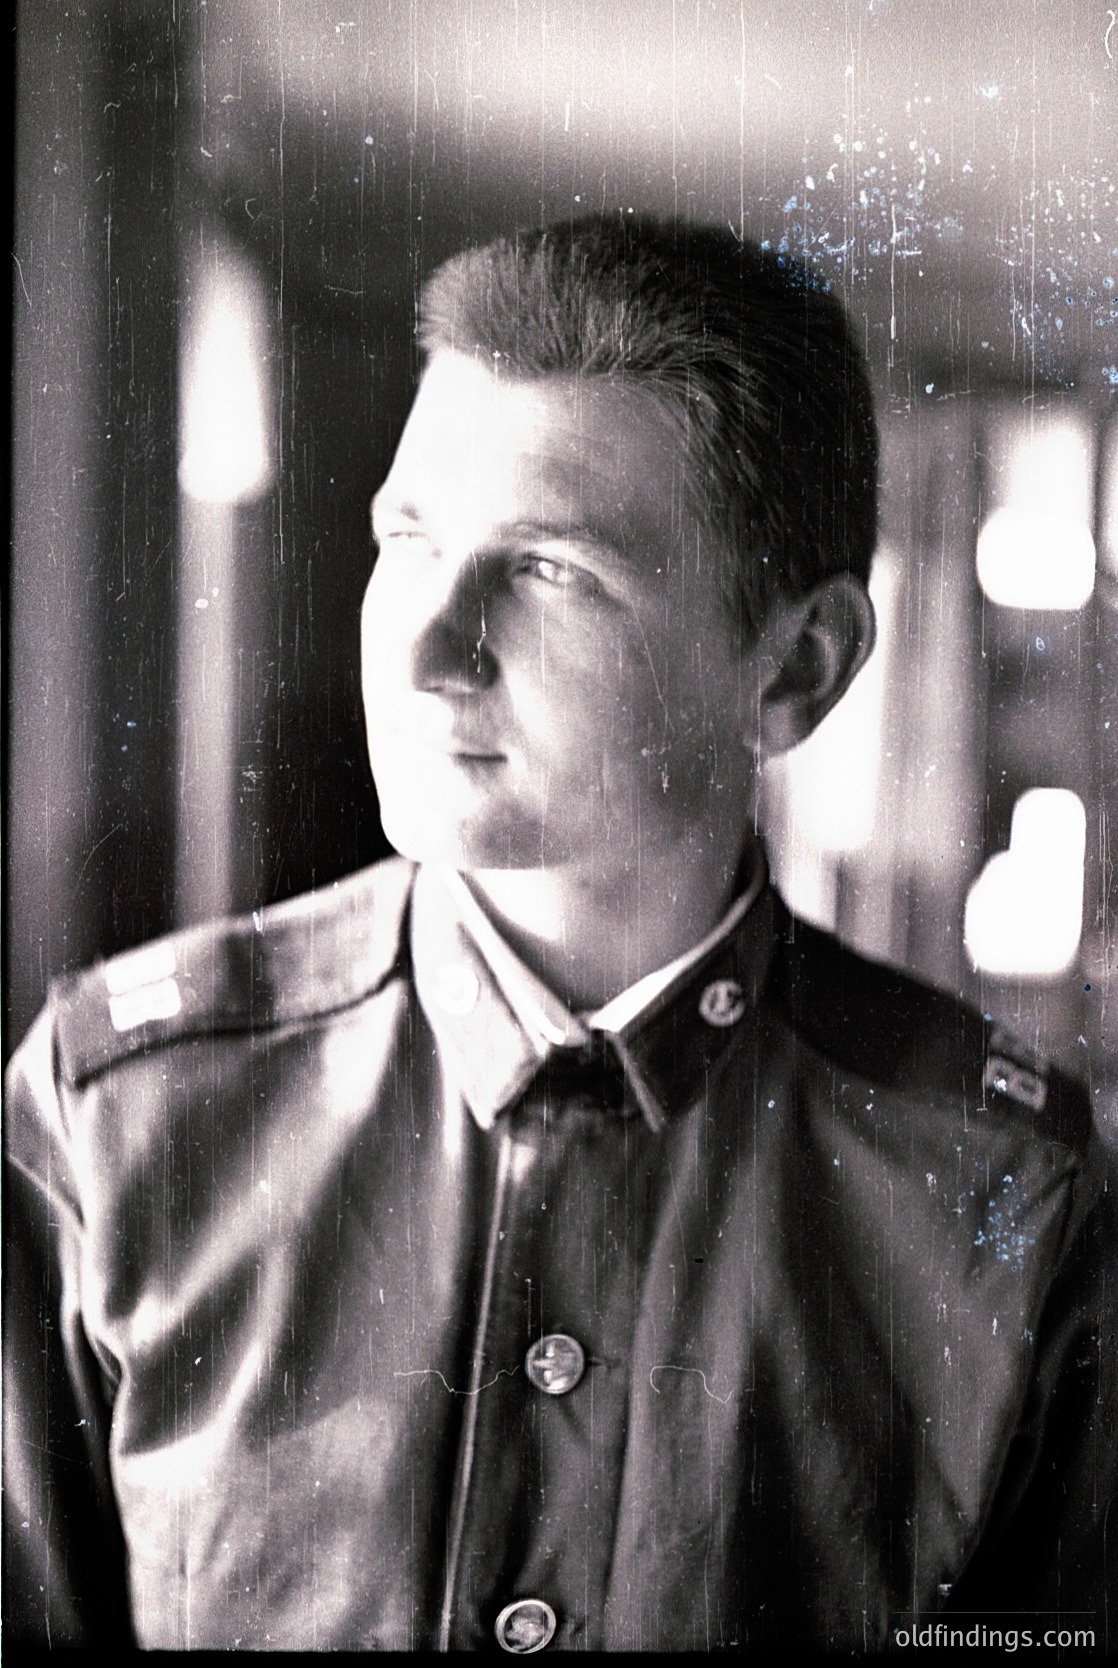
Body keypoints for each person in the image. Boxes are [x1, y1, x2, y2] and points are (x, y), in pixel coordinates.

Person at [4, 216, 1114, 1654]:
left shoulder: (1004, 1204)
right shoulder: (122, 1124)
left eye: (547, 571)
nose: (422, 648)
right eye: (408, 540)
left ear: (797, 668)